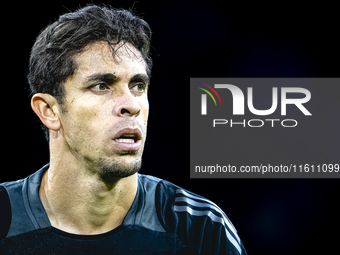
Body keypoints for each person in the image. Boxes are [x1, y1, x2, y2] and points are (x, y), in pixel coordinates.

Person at [0, 4, 247, 254]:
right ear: (49, 111)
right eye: (101, 86)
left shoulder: (200, 227)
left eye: (138, 85)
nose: (131, 104)